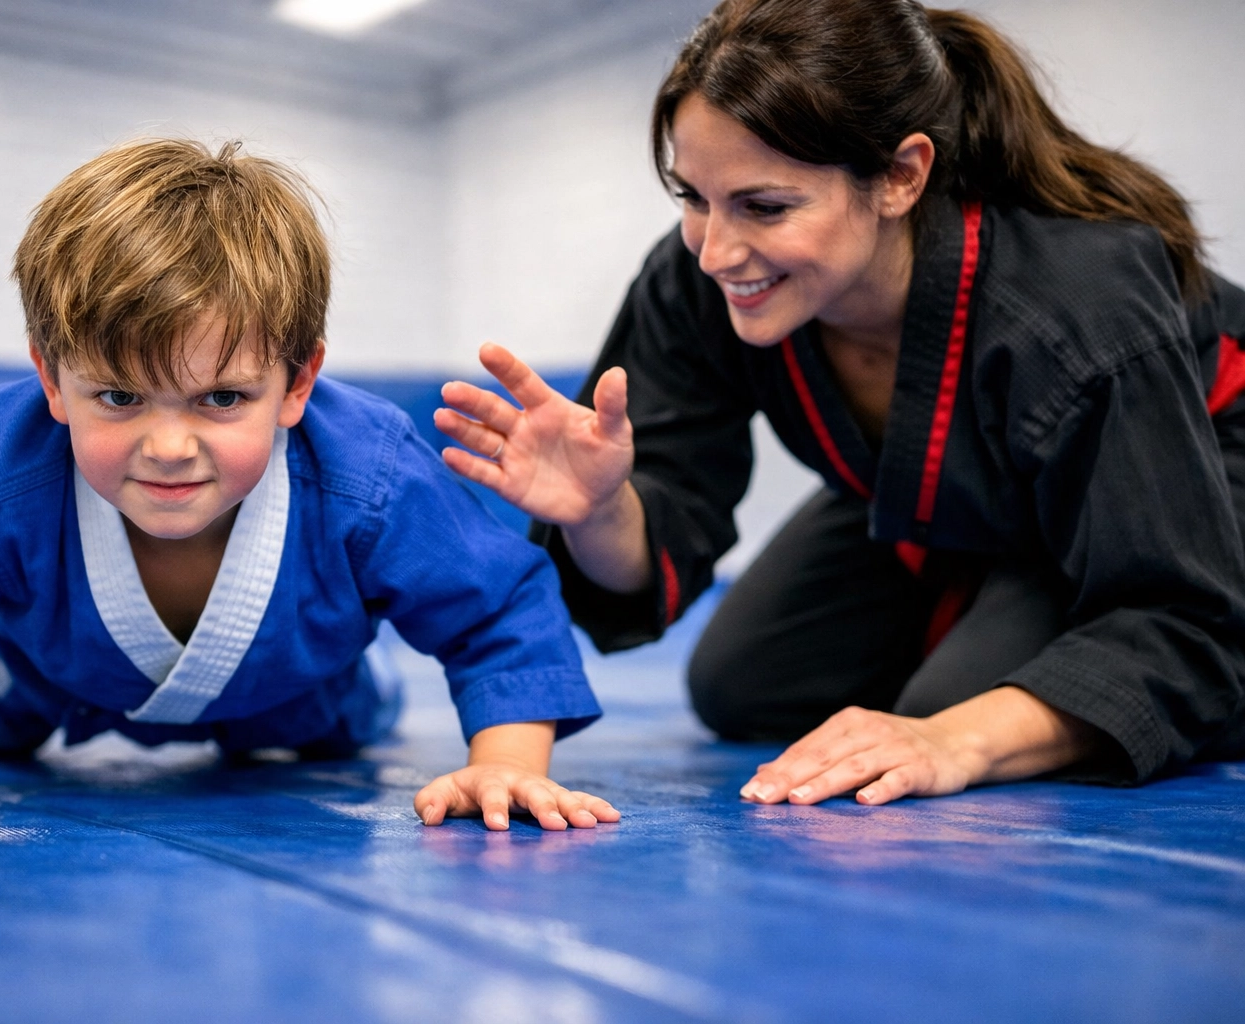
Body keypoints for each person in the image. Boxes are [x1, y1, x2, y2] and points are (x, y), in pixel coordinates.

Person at [435, 0, 1245, 806]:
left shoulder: (1076, 302)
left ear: (901, 177)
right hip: (967, 505)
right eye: (692, 196)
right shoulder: (693, 280)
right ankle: (991, 629)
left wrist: (952, 739)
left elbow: (1188, 615)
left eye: (766, 206)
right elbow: (668, 506)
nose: (717, 252)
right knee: (744, 686)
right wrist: (600, 510)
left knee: (947, 718)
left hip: (1189, 477)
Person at [0, 139, 618, 833]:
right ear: (52, 380)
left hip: (296, 682)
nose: (169, 446)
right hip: (39, 672)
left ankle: (363, 662)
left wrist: (508, 764)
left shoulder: (368, 472)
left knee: (346, 715)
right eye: (119, 397)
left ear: (298, 382)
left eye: (223, 398)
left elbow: (494, 608)